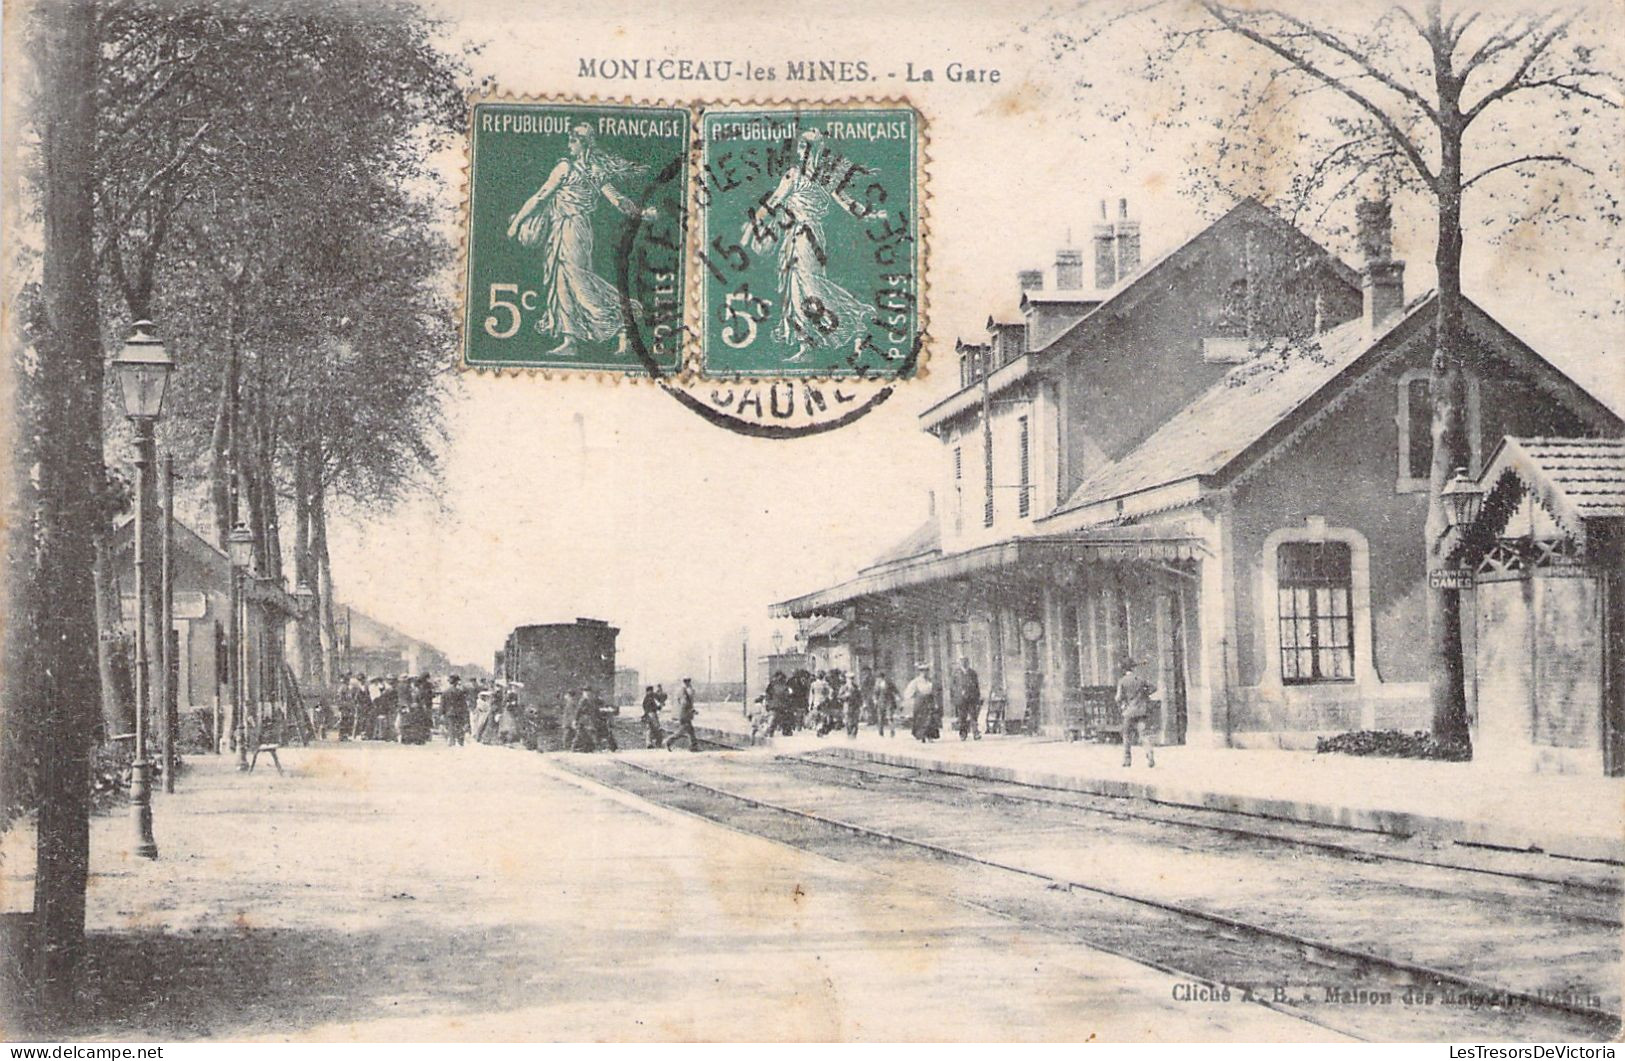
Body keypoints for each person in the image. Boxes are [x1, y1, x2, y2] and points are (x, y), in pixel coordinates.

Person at [506, 123, 658, 358]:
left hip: (573, 229)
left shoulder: (570, 168)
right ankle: (571, 339)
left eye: (573, 140)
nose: (569, 145)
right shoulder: (585, 169)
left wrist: (517, 224)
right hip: (563, 228)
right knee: (561, 281)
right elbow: (617, 200)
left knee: (578, 281)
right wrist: (640, 213)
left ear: (583, 143)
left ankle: (621, 323)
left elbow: (541, 197)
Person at [742, 128, 886, 363]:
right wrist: (754, 224)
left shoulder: (815, 179)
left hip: (807, 236)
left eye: (811, 147)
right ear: (800, 151)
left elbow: (848, 204)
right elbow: (772, 203)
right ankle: (811, 342)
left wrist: (871, 215)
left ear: (817, 151)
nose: (806, 152)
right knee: (799, 286)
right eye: (803, 147)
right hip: (800, 235)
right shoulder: (796, 176)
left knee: (807, 285)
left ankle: (851, 320)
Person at [1116, 658, 1158, 768]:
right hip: (1142, 710)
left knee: (1126, 735)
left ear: (1124, 669)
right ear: (1133, 668)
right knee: (1144, 734)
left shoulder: (1122, 681)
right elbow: (1154, 688)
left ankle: (1127, 760)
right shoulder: (1140, 679)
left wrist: (1123, 701)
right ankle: (1149, 754)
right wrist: (1144, 695)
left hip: (1129, 712)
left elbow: (1118, 698)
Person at [904, 663, 939, 742]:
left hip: (929, 700)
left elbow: (934, 692)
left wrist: (935, 702)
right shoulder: (916, 681)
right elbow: (908, 692)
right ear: (920, 672)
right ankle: (922, 736)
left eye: (926, 671)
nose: (925, 673)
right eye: (923, 671)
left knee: (930, 719)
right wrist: (912, 698)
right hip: (920, 702)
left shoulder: (931, 681)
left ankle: (930, 736)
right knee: (921, 720)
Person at [952, 657, 984, 741]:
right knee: (962, 717)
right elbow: (953, 687)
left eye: (966, 662)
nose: (964, 663)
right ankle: (963, 734)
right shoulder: (956, 673)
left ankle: (976, 733)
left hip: (972, 698)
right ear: (960, 663)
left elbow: (977, 686)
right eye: (962, 662)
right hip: (961, 699)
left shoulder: (973, 673)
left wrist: (977, 697)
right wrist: (955, 698)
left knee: (974, 716)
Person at [665, 677, 701, 752]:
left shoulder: (683, 690)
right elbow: (684, 704)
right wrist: (692, 710)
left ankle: (693, 746)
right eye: (688, 682)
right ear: (686, 682)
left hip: (685, 714)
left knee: (691, 731)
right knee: (681, 732)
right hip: (685, 715)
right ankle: (668, 741)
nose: (689, 683)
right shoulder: (684, 691)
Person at [441, 675, 470, 747]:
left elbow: (442, 704)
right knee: (459, 727)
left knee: (451, 728)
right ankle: (460, 742)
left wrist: (442, 713)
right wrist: (465, 713)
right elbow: (463, 704)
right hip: (459, 713)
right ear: (457, 682)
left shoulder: (445, 692)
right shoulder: (460, 692)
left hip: (449, 713)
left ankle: (451, 742)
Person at [871, 672, 899, 738]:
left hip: (889, 702)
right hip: (880, 703)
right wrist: (875, 700)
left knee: (890, 717)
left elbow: (895, 690)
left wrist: (897, 696)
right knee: (880, 718)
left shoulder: (889, 683)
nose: (878, 680)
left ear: (882, 678)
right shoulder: (877, 685)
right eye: (877, 678)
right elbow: (875, 693)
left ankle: (892, 731)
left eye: (879, 678)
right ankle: (881, 733)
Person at [808, 671, 834, 737]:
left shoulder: (813, 684)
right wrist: (829, 697)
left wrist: (810, 703)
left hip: (816, 702)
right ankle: (821, 729)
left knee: (817, 716)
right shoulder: (825, 684)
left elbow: (811, 694)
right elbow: (831, 691)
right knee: (823, 716)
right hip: (823, 701)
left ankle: (818, 729)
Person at [841, 670, 864, 738]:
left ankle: (854, 735)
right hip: (847, 706)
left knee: (855, 722)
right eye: (849, 679)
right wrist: (845, 696)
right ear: (846, 679)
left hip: (855, 707)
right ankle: (849, 734)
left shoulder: (856, 687)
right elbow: (839, 696)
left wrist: (861, 705)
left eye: (852, 678)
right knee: (848, 721)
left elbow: (860, 696)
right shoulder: (844, 687)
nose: (850, 680)